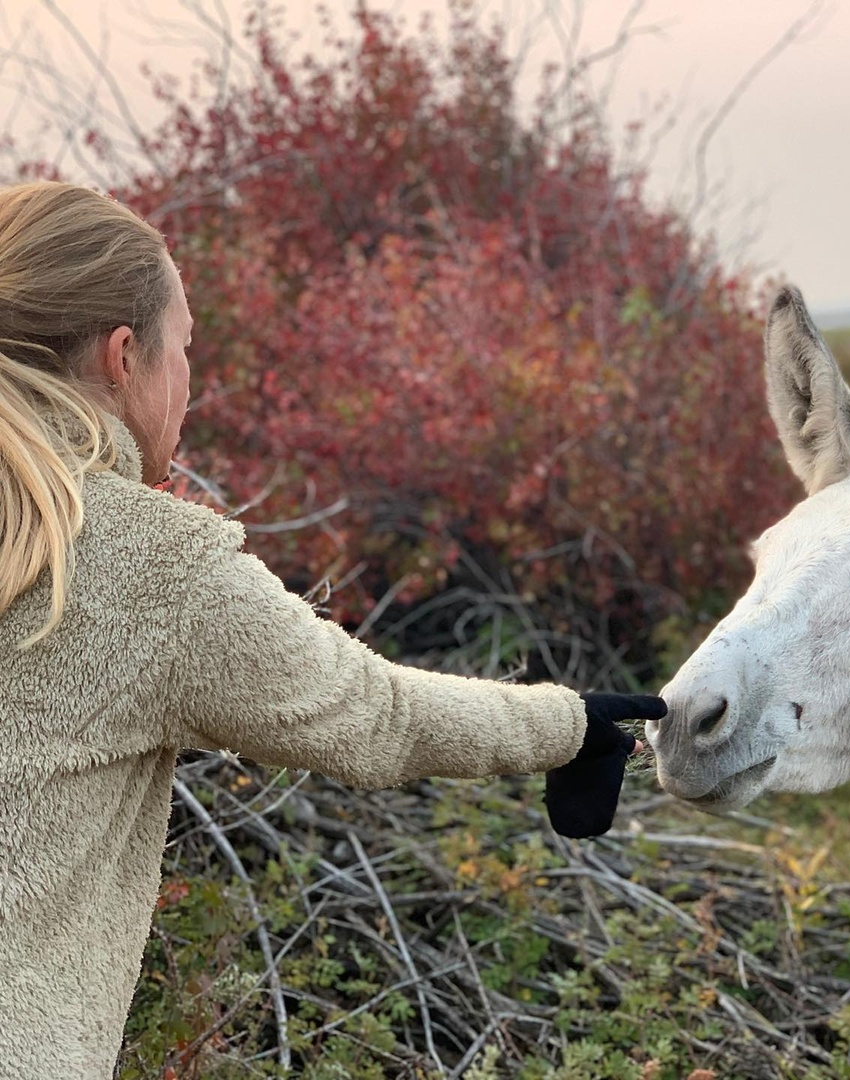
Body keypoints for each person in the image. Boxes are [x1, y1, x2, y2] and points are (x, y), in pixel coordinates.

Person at [0, 181, 668, 1079]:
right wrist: (574, 725)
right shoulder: (147, 566)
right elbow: (377, 718)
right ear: (124, 356)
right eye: (186, 346)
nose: (189, 379)